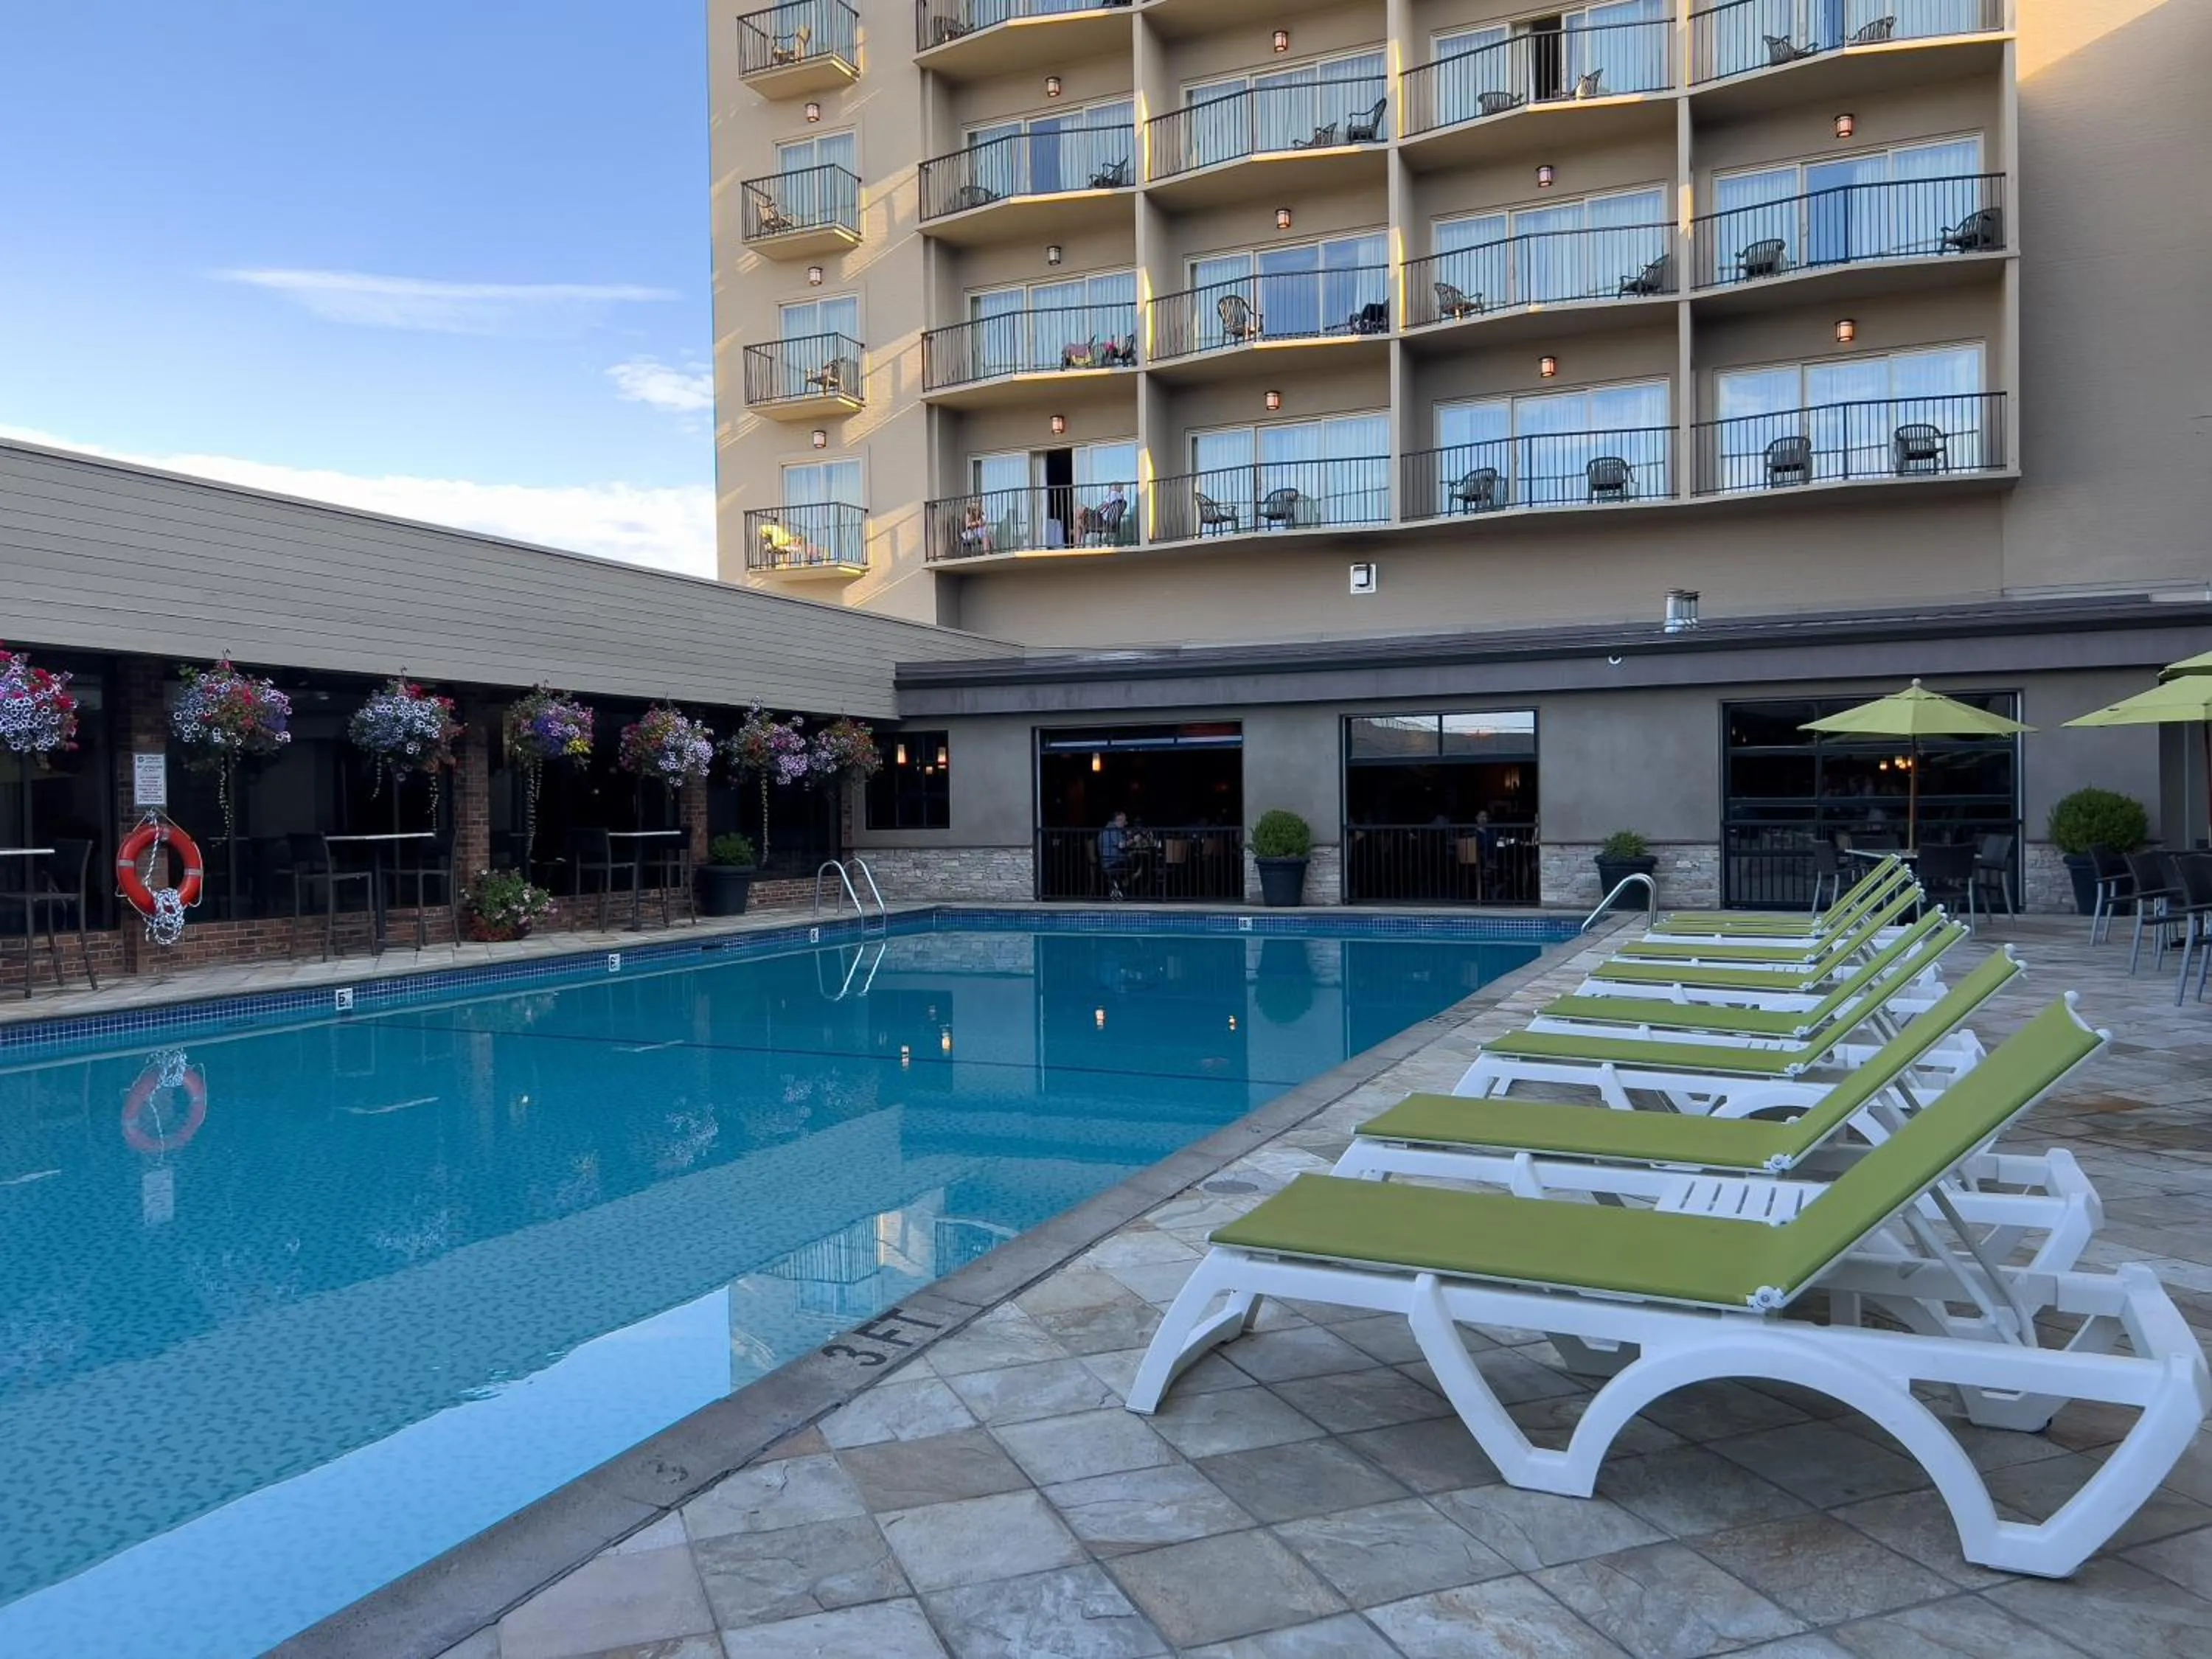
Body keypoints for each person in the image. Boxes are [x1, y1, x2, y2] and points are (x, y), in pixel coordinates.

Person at [1099, 810, 1131, 900]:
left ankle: (1119, 887)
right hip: (1112, 862)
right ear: (1119, 820)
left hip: (1109, 861)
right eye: (1124, 821)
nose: (1126, 823)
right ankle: (1122, 888)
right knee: (1136, 862)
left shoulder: (1111, 829)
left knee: (1130, 861)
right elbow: (1121, 845)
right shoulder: (1112, 830)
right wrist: (1134, 840)